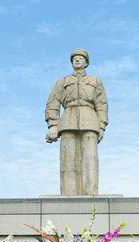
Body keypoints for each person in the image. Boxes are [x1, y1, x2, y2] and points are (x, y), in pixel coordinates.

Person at [45, 49, 108, 195]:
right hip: (68, 119)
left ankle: (90, 194)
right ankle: (69, 194)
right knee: (68, 160)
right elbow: (53, 101)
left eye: (80, 58)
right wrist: (53, 124)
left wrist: (101, 126)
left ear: (86, 62)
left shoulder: (95, 81)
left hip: (89, 119)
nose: (77, 60)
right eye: (74, 58)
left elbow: (102, 104)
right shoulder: (63, 81)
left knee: (90, 159)